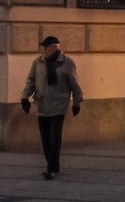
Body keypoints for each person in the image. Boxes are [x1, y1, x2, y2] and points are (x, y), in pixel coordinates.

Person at [20, 35, 83, 180]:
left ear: (54, 47)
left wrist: (77, 103)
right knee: (45, 139)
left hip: (59, 105)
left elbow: (75, 84)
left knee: (54, 137)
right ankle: (53, 164)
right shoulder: (38, 62)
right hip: (42, 105)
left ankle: (50, 168)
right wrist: (24, 97)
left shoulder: (66, 63)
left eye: (46, 47)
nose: (44, 50)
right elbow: (31, 81)